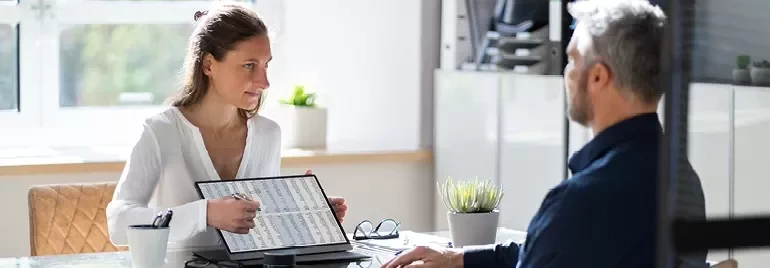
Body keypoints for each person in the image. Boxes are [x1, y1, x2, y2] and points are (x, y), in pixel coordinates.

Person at [383, 0, 706, 267]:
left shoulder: (582, 202)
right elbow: (550, 250)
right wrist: (457, 259)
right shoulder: (683, 181)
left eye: (573, 59)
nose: (567, 73)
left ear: (597, 78)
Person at [106, 2, 348, 250]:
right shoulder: (160, 132)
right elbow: (118, 223)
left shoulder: (268, 134)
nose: (264, 82)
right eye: (249, 65)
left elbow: (261, 227)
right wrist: (205, 213)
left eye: (266, 65)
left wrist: (306, 214)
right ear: (209, 65)